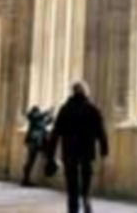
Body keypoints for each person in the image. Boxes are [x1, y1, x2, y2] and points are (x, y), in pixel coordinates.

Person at [47, 81, 108, 213]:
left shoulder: (65, 109)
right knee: (86, 177)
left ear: (72, 92)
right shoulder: (92, 109)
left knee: (71, 183)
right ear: (86, 92)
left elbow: (55, 133)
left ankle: (73, 207)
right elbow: (101, 132)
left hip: (69, 152)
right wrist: (104, 151)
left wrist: (51, 154)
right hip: (87, 151)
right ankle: (86, 198)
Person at [22, 106, 53, 187]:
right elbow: (36, 116)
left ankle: (27, 179)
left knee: (32, 161)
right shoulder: (32, 117)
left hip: (39, 143)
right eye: (37, 112)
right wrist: (46, 112)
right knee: (30, 161)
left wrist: (51, 116)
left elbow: (47, 122)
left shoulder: (39, 121)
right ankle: (25, 179)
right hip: (33, 143)